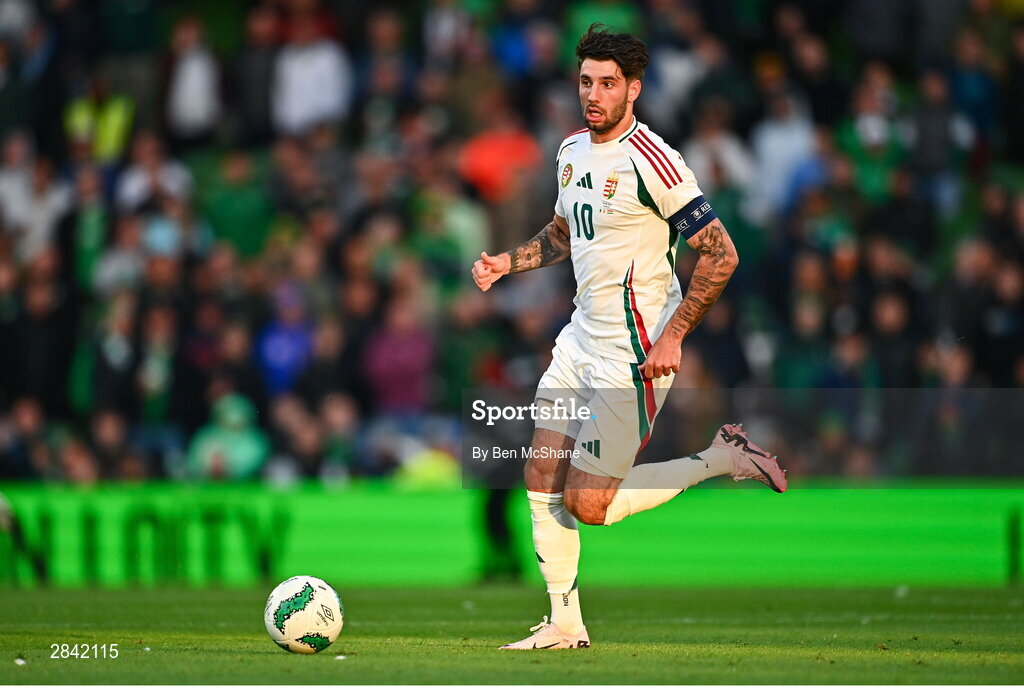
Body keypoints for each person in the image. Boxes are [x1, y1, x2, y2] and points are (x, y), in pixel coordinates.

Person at [471, 24, 788, 651]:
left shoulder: (656, 161)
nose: (593, 94)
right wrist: (508, 262)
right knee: (539, 475)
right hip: (579, 340)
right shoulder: (569, 152)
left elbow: (720, 253)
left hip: (634, 354)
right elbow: (564, 235)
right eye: (586, 81)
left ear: (633, 89)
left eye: (607, 83)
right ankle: (564, 623)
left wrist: (672, 337)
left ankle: (721, 459)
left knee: (589, 505)